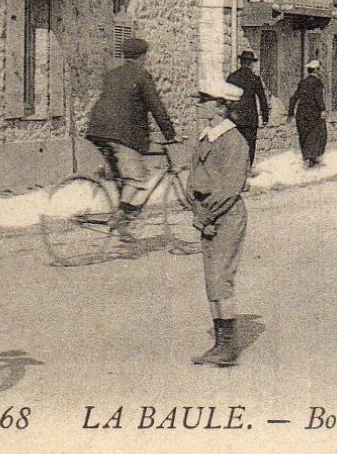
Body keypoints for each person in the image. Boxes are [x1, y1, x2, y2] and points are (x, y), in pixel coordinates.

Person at [188, 78, 253, 367]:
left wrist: (209, 215)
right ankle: (219, 343)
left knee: (221, 280)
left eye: (205, 100)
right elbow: (194, 179)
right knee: (211, 282)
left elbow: (231, 186)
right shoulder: (205, 136)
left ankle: (228, 346)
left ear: (220, 107)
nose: (200, 105)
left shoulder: (234, 140)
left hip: (226, 215)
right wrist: (199, 213)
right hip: (208, 216)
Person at [86, 37, 177, 237]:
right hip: (122, 134)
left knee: (122, 178)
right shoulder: (142, 76)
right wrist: (170, 134)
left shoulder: (112, 74)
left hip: (98, 131)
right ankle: (119, 217)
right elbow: (156, 107)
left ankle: (123, 225)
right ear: (142, 57)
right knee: (136, 178)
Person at [225, 49, 269, 165]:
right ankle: (247, 169)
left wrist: (227, 115)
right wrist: (265, 117)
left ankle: (236, 170)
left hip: (235, 119)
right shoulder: (255, 79)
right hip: (250, 119)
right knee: (250, 146)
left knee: (236, 145)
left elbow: (225, 98)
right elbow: (262, 99)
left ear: (241, 62)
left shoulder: (232, 77)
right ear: (251, 64)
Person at [286, 60, 328, 167]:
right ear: (316, 70)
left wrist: (290, 113)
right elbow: (318, 97)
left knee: (304, 135)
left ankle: (306, 157)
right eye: (319, 69)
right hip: (313, 112)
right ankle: (314, 157)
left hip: (301, 113)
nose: (321, 71)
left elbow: (294, 98)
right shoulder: (317, 82)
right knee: (319, 133)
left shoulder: (303, 82)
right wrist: (322, 109)